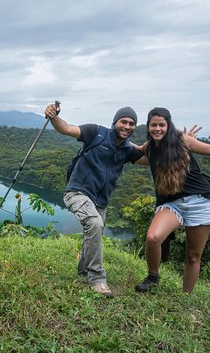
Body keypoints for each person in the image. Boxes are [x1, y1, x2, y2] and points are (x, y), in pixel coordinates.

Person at [134, 107, 210, 294]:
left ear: (168, 125)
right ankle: (153, 276)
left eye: (161, 125)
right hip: (172, 203)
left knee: (192, 255)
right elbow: (133, 151)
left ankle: (185, 296)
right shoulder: (150, 148)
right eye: (153, 125)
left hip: (201, 201)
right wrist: (113, 137)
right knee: (153, 237)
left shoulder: (183, 140)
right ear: (148, 127)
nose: (157, 129)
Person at [44, 102, 144, 297]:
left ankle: (83, 269)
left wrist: (173, 145)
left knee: (93, 233)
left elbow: (150, 159)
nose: (128, 126)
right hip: (77, 192)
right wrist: (53, 116)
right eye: (124, 121)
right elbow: (66, 129)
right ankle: (97, 279)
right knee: (94, 224)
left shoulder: (127, 150)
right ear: (115, 122)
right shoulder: (95, 133)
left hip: (101, 201)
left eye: (132, 124)